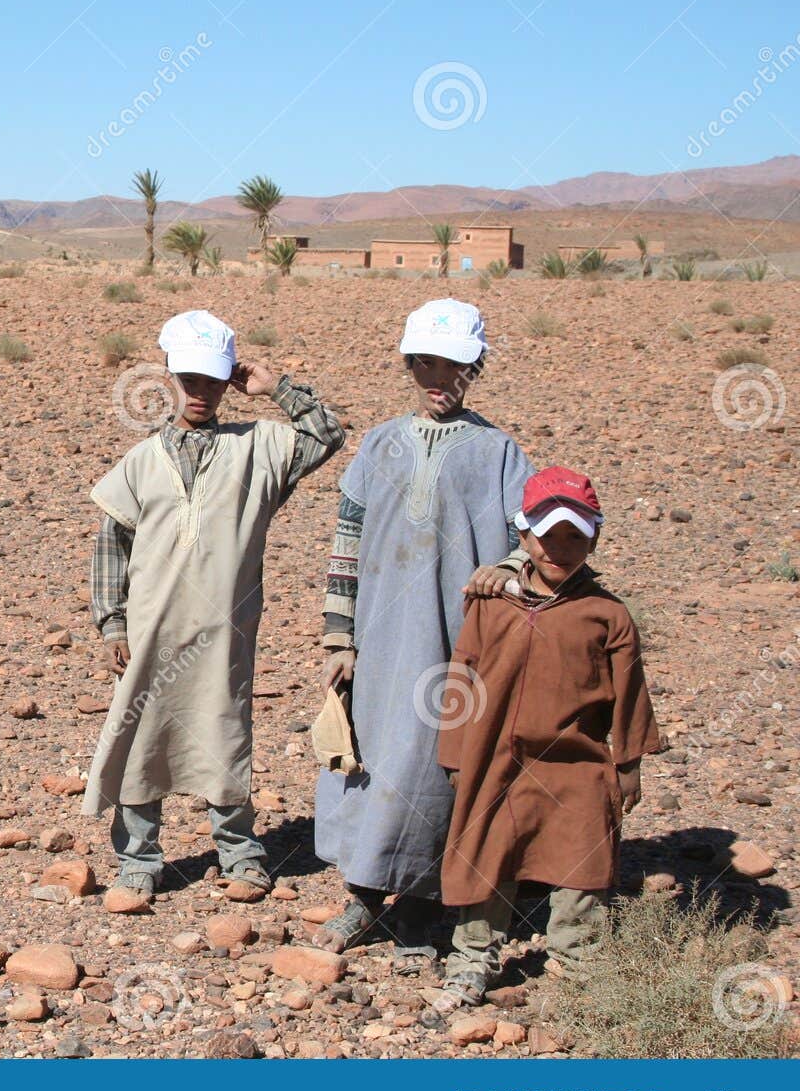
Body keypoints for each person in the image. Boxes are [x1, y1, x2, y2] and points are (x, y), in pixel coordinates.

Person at [86, 310, 344, 911]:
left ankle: (239, 851)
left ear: (228, 381)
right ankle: (138, 859)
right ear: (169, 378)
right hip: (151, 627)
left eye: (212, 380)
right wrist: (112, 621)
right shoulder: (141, 461)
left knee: (224, 730)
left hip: (225, 628)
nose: (199, 393)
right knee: (141, 733)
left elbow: (327, 434)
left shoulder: (260, 448)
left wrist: (274, 385)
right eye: (188, 379)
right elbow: (110, 543)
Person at [313, 298, 535, 971]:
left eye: (453, 365)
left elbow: (531, 541)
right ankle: (361, 892)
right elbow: (346, 540)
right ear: (410, 365)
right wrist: (338, 633)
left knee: (432, 768)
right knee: (368, 758)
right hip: (378, 644)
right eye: (425, 363)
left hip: (454, 646)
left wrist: (507, 569)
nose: (438, 377)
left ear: (475, 369)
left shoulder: (499, 452)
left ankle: (418, 905)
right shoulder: (379, 442)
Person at [435, 466, 661, 1007]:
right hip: (494, 755)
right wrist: (455, 753)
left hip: (575, 762)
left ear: (594, 539)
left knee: (581, 853)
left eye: (574, 537)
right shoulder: (490, 604)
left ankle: (577, 957)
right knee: (486, 852)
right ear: (523, 536)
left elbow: (629, 695)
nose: (559, 548)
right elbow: (461, 677)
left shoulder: (606, 616)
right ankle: (473, 958)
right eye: (547, 535)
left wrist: (627, 765)